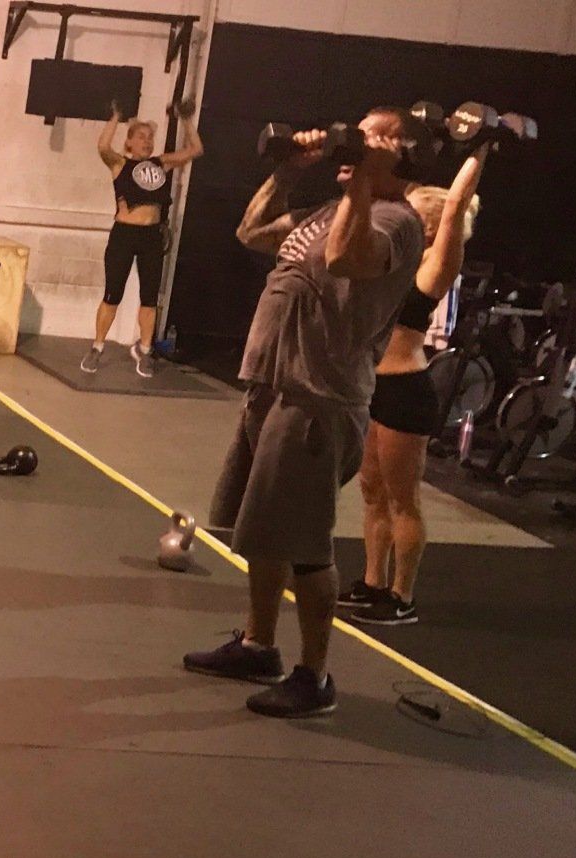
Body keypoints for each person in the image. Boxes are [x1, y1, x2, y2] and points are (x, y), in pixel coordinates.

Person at [184, 109, 428, 718]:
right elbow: (252, 230)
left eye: (374, 135)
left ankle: (314, 677)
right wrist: (291, 172)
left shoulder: (397, 222)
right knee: (261, 532)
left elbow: (347, 261)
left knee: (304, 546)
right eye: (358, 130)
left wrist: (366, 182)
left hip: (319, 399)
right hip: (272, 389)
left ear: (402, 152)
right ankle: (258, 644)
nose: (355, 139)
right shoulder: (327, 211)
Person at [344, 147, 487, 626]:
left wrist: (481, 143)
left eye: (412, 214)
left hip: (406, 390)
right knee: (371, 490)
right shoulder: (395, 262)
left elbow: (455, 205)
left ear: (428, 226)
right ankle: (371, 582)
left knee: (403, 499)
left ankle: (401, 596)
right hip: (372, 386)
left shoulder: (433, 268)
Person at [82, 100, 204, 377]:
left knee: (149, 298)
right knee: (112, 295)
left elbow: (196, 150)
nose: (147, 142)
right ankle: (97, 347)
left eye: (150, 138)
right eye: (141, 137)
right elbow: (102, 147)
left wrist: (185, 119)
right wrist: (116, 116)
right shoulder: (120, 164)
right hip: (124, 234)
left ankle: (145, 350)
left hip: (151, 236)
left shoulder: (161, 164)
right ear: (130, 143)